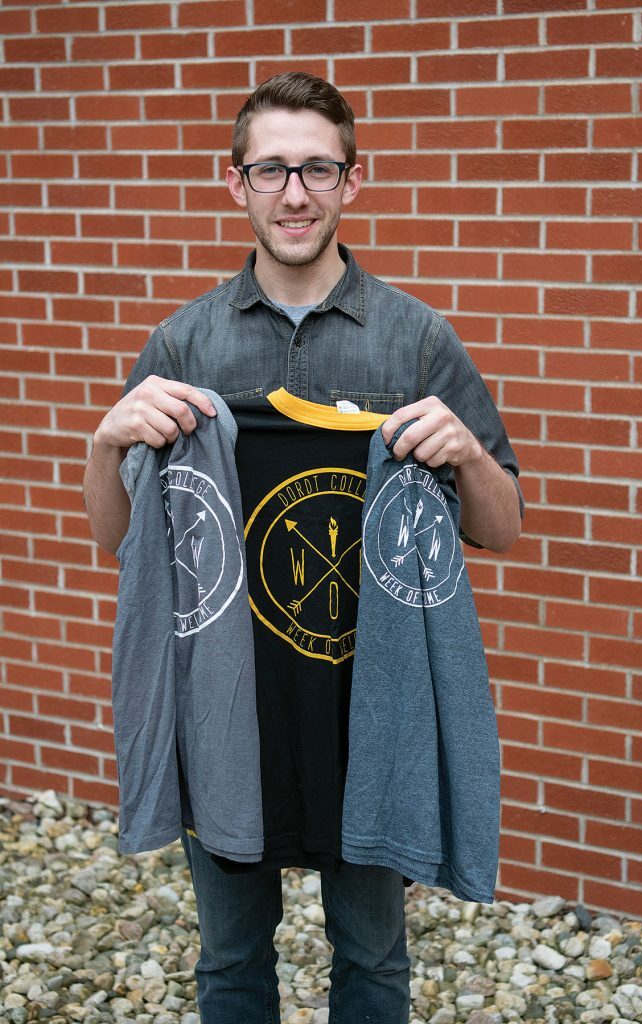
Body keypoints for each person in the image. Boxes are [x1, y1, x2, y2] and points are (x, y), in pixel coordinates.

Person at [83, 72, 522, 1024]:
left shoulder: (415, 340)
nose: (294, 192)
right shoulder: (184, 342)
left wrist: (463, 457)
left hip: (370, 709)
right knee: (231, 958)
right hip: (223, 706)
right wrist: (107, 442)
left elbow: (501, 525)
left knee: (370, 957)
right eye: (271, 168)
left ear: (351, 182)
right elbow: (118, 542)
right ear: (233, 181)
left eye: (317, 168)